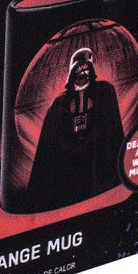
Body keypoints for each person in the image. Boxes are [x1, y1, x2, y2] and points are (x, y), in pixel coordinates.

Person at [24, 48, 124, 211]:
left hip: (94, 154)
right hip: (68, 159)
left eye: (86, 69)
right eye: (78, 69)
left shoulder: (104, 91)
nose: (82, 73)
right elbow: (51, 141)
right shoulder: (59, 103)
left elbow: (109, 128)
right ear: (72, 73)